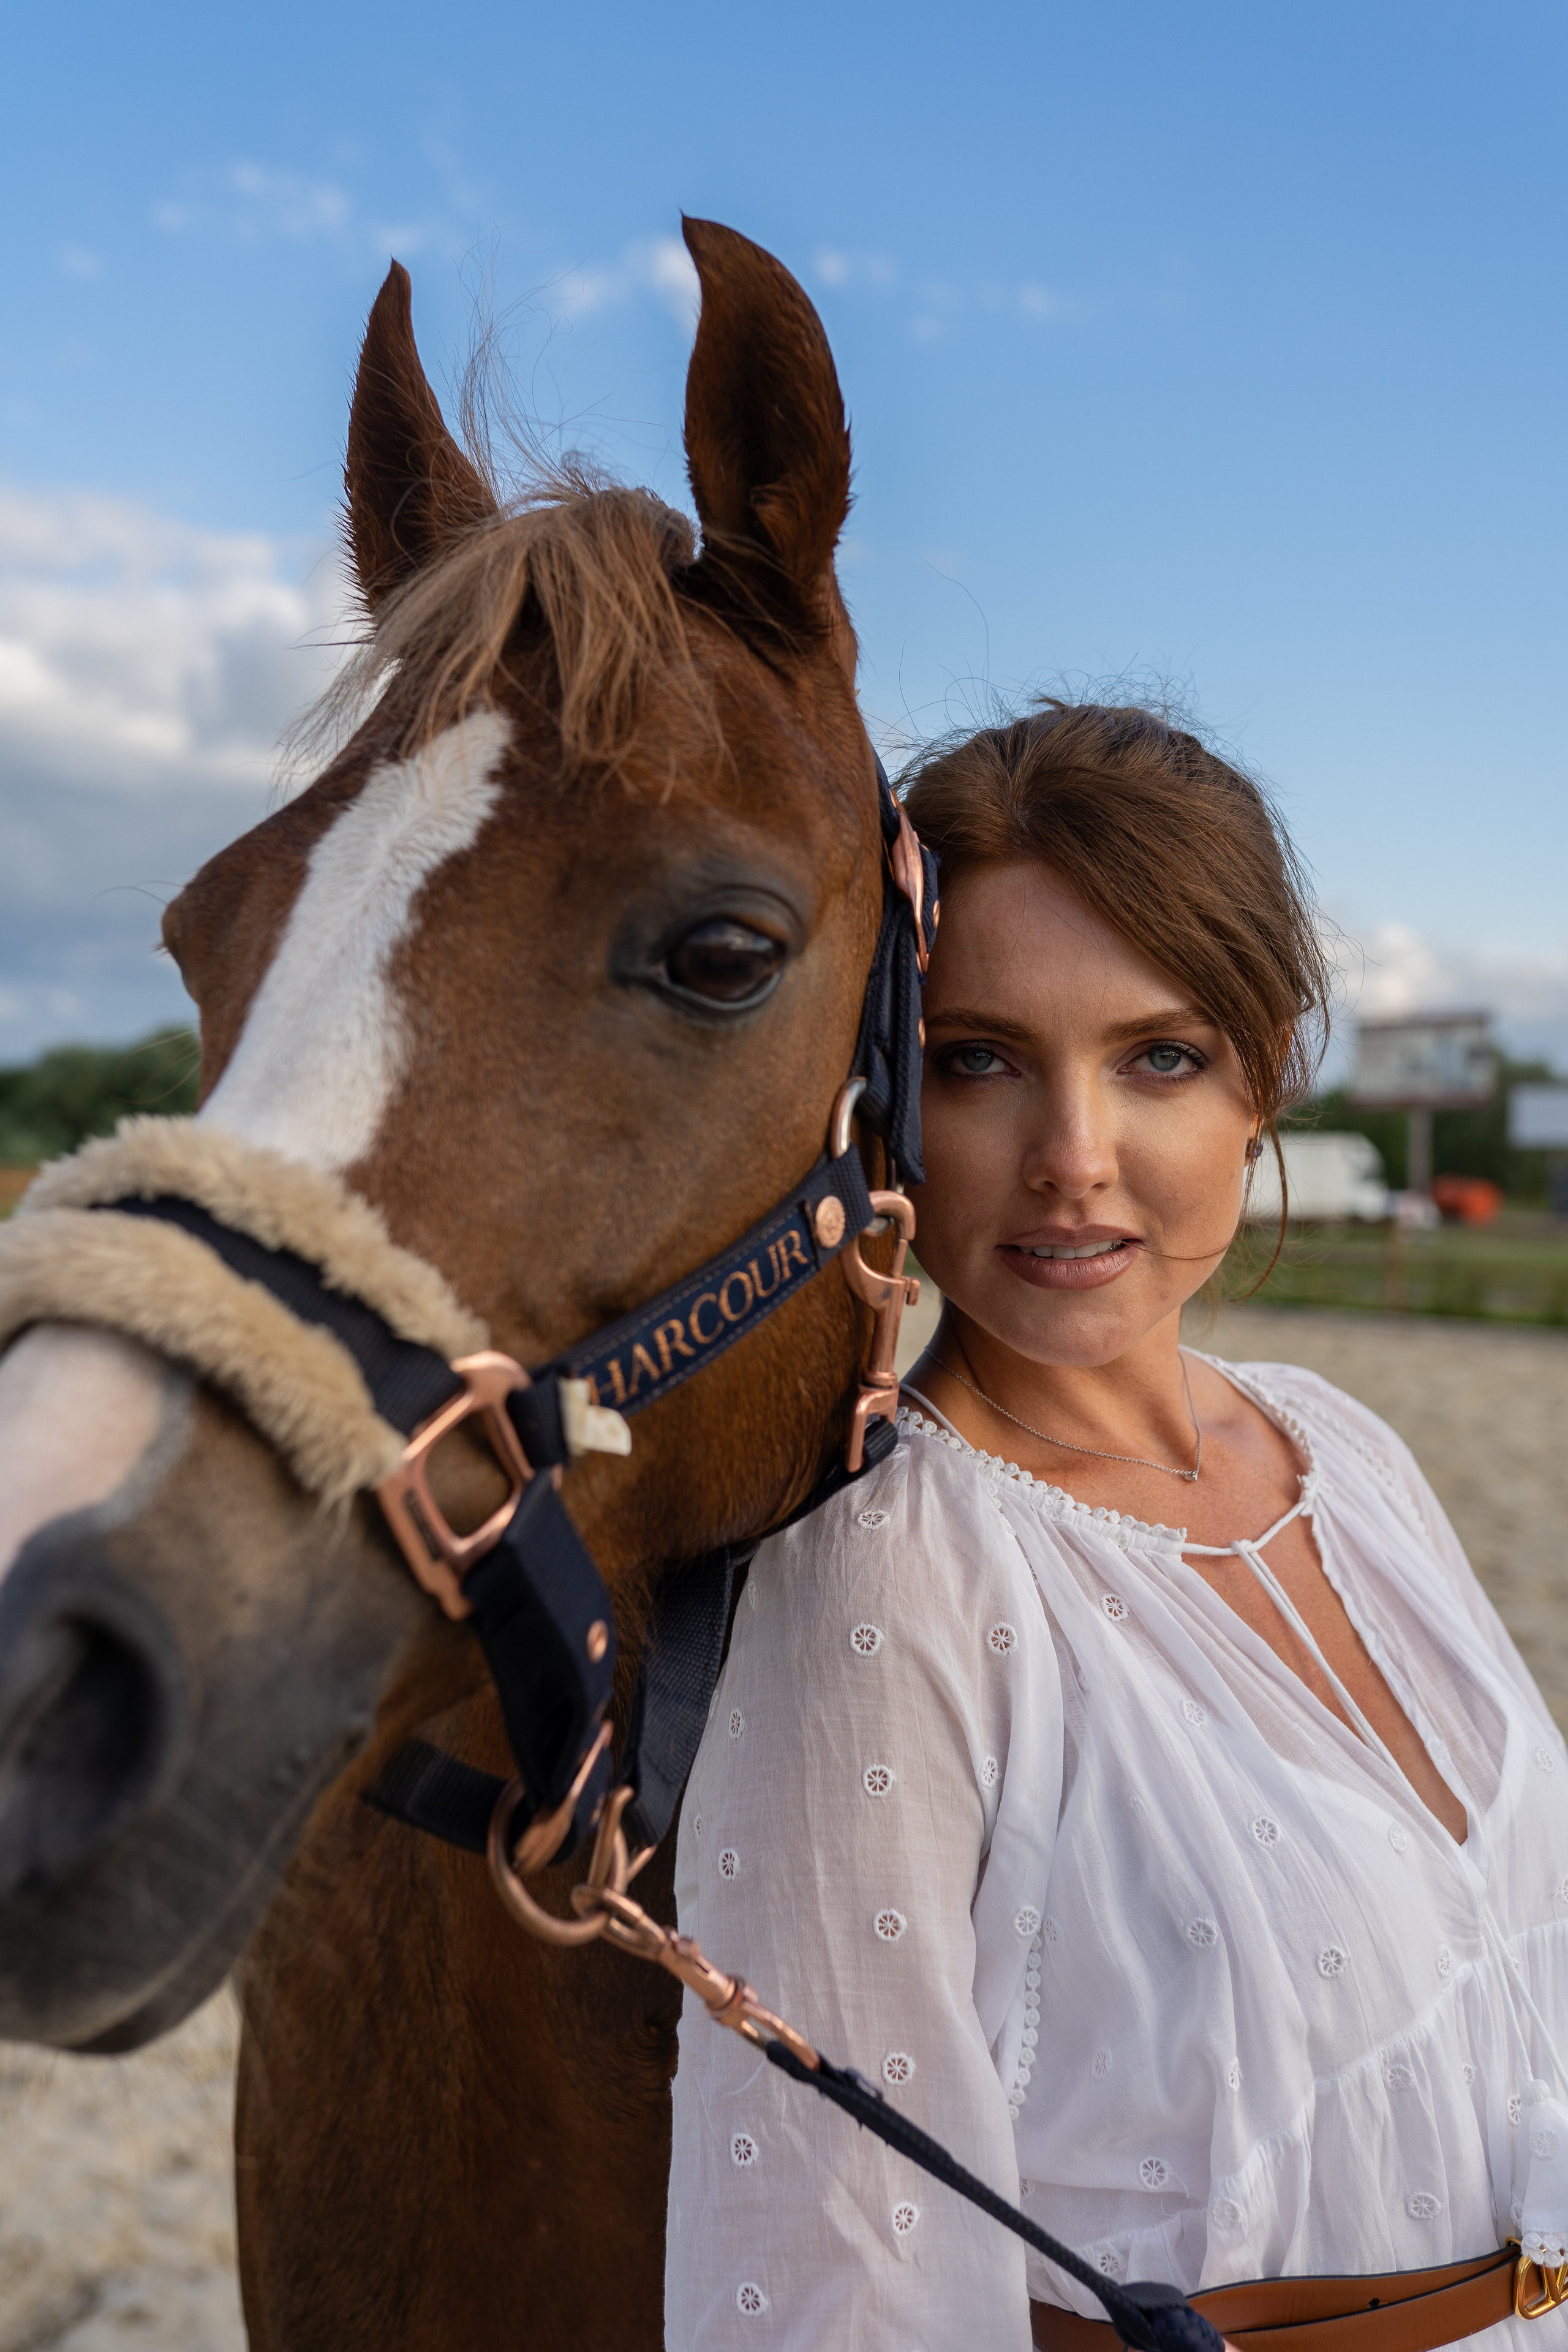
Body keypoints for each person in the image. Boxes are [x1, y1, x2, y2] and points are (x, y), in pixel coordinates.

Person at [664, 703, 1568, 2351]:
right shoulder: (883, 1579)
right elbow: (829, 2270)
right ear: (881, 1092)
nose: (1073, 1163)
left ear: (1264, 1074)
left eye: (1160, 1056)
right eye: (980, 1062)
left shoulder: (1344, 1451)